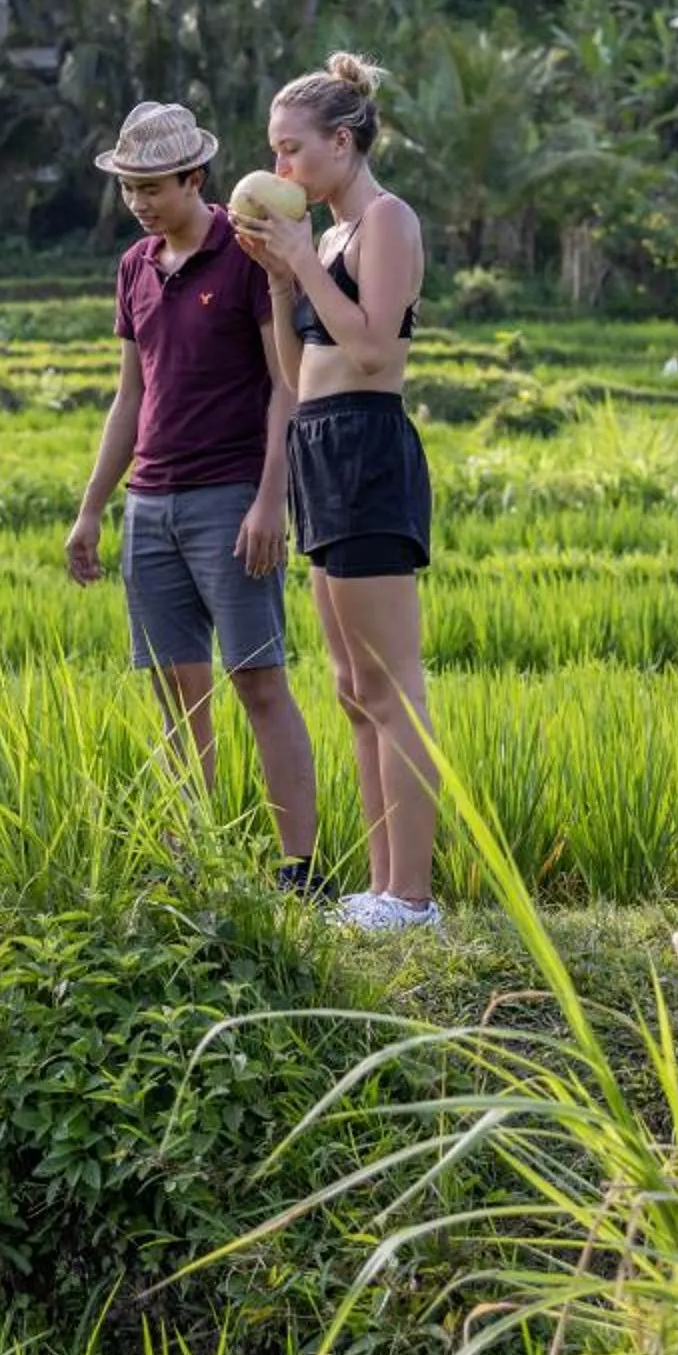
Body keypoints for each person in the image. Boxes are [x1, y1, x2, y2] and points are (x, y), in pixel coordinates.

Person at [65, 99, 321, 888]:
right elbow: (130, 398)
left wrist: (271, 499)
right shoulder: (135, 267)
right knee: (176, 691)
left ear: (194, 179)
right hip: (150, 504)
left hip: (231, 498)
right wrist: (92, 508)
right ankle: (195, 863)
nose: (138, 202)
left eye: (152, 186)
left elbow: (285, 385)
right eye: (128, 187)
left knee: (258, 679)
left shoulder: (246, 255)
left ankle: (299, 869)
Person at [230, 54, 440, 932]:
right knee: (353, 686)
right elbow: (295, 371)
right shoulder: (324, 240)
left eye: (292, 149)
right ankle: (381, 886)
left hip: (365, 446)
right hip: (317, 443)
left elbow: (373, 349)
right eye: (274, 151)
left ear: (343, 143)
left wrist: (303, 268)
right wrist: (283, 281)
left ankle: (413, 898)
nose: (279, 167)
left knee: (393, 685)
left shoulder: (387, 220)